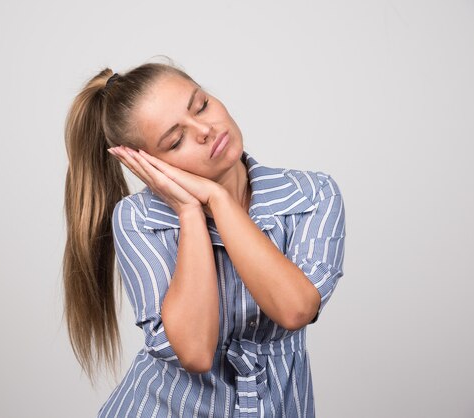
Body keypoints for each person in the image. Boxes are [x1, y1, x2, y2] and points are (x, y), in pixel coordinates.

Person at [62, 59, 346, 418]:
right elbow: (194, 352)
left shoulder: (311, 195)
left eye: (202, 105)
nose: (205, 130)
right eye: (176, 140)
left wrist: (219, 200)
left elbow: (295, 308)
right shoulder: (139, 219)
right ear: (148, 165)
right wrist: (190, 210)